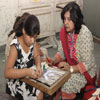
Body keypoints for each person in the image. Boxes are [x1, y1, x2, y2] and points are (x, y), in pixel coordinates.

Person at [48, 2, 97, 100]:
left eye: (69, 19)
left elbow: (87, 63)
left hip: (85, 72)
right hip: (70, 66)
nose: (66, 22)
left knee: (66, 85)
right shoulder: (63, 32)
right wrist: (53, 60)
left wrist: (70, 69)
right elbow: (61, 52)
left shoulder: (85, 33)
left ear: (77, 20)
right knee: (51, 76)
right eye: (64, 19)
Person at [4, 14, 43, 100]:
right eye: (31, 37)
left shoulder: (32, 39)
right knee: (38, 96)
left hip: (28, 78)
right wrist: (27, 72)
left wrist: (38, 65)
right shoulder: (15, 46)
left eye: (35, 37)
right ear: (24, 31)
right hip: (16, 82)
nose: (32, 40)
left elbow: (36, 55)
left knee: (41, 94)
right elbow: (7, 73)